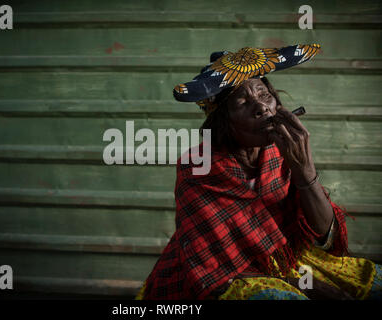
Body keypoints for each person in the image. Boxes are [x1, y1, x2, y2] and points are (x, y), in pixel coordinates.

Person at [136, 44, 381, 300]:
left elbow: (324, 237)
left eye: (264, 95)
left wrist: (304, 169)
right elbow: (216, 270)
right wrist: (306, 286)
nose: (262, 108)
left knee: (373, 283)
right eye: (242, 102)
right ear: (223, 122)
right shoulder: (198, 167)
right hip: (225, 276)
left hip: (288, 260)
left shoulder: (281, 152)